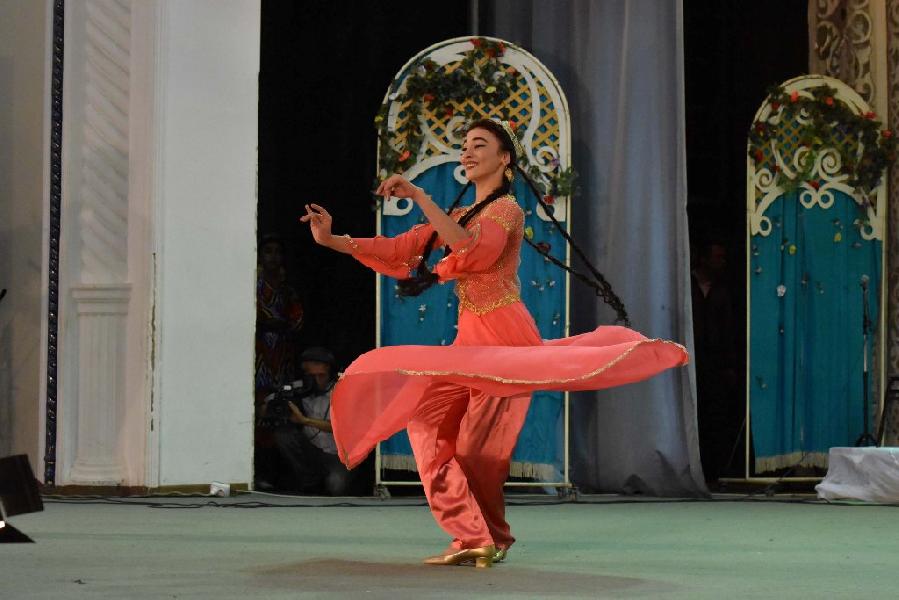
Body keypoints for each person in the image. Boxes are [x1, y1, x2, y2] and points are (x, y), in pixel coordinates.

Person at [301, 118, 688, 568]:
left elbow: (472, 251)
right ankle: (478, 536)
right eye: (464, 145)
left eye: (479, 144)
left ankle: (484, 537)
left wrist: (421, 196)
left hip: (504, 338)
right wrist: (332, 240)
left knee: (478, 450)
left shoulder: (507, 211)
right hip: (470, 342)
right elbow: (403, 248)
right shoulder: (463, 213)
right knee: (427, 425)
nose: (467, 152)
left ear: (505, 159)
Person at [269, 347, 355, 495]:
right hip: (310, 451)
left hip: (337, 456)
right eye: (311, 376)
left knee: (336, 486)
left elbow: (339, 427)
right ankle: (309, 481)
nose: (316, 381)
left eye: (320, 376)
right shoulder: (300, 389)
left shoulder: (343, 392)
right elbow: (268, 403)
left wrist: (305, 420)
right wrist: (274, 405)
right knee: (284, 435)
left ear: (330, 371)